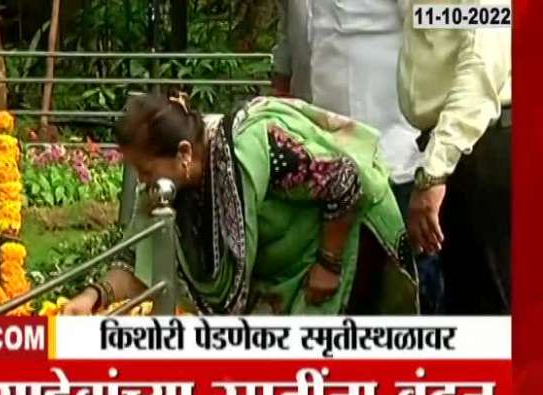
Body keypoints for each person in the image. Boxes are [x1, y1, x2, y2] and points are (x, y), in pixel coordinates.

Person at [64, 94, 418, 316]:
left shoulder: (254, 144)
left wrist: (330, 262)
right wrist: (93, 297)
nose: (142, 181)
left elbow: (344, 180)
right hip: (284, 275)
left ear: (184, 153)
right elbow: (142, 261)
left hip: (349, 247)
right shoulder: (169, 187)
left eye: (145, 170)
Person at [271, 0, 442, 313]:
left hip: (395, 161)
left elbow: (438, 35)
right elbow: (289, 42)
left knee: (406, 300)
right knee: (332, 301)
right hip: (316, 166)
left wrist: (436, 171)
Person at [398, 0, 512, 314]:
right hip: (466, 146)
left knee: (491, 309)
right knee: (470, 302)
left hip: (480, 145)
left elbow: (481, 65)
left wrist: (435, 171)